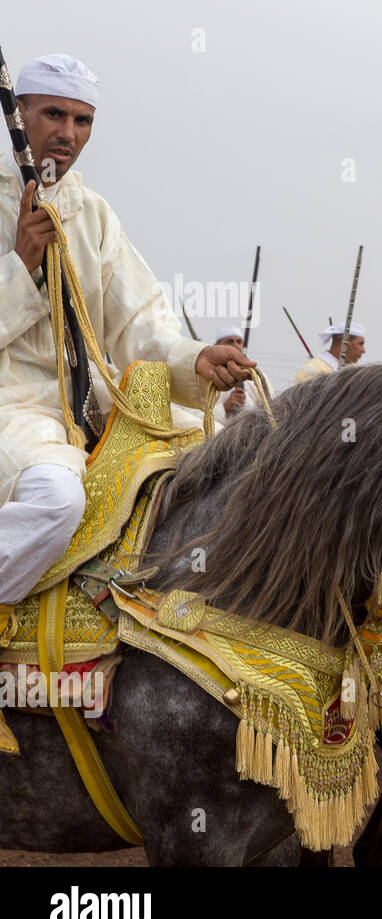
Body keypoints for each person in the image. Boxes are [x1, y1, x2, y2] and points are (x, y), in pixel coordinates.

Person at [0, 54, 252, 631]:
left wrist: (199, 359)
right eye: (54, 114)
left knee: (226, 469)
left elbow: (143, 327)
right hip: (12, 411)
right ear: (19, 113)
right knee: (55, 504)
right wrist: (21, 266)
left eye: (83, 121)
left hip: (91, 412)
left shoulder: (93, 215)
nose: (67, 134)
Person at [211, 325, 273, 421]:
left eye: (239, 341)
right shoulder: (207, 376)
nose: (235, 345)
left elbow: (271, 410)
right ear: (216, 346)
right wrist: (225, 408)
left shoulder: (257, 377)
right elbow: (195, 416)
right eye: (229, 341)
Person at [295, 322, 366, 383]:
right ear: (345, 344)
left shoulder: (354, 369)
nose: (363, 350)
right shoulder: (314, 369)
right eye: (360, 344)